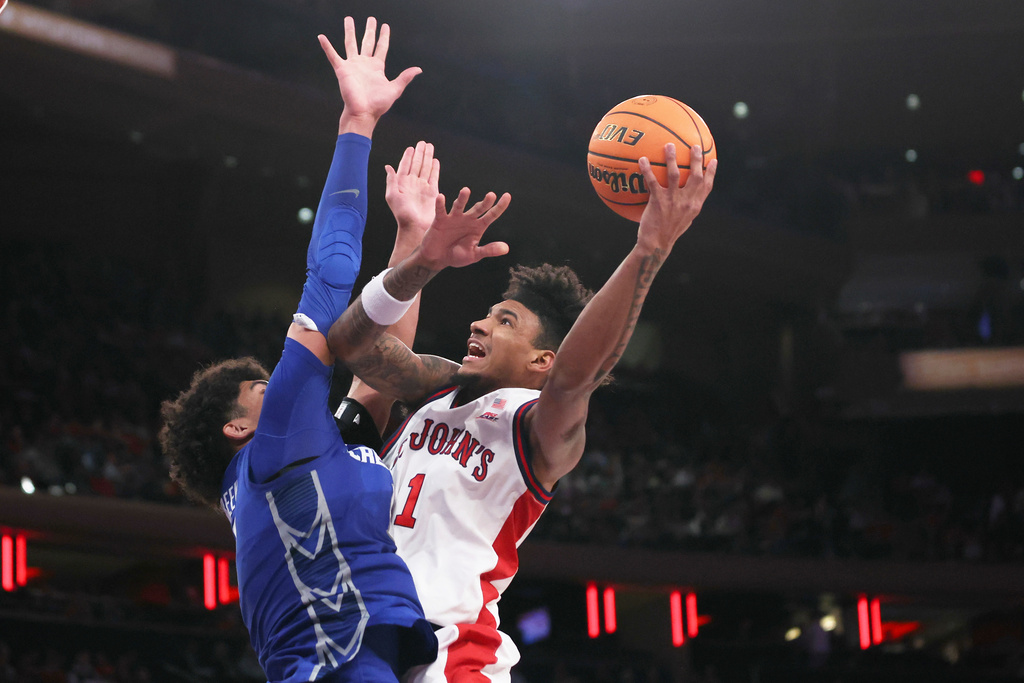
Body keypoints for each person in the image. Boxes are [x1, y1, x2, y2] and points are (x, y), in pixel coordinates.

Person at [329, 143, 717, 681]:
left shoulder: (536, 422)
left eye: (505, 321)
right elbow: (367, 359)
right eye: (487, 315)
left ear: (542, 359)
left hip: (452, 657)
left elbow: (575, 377)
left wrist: (648, 249)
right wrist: (413, 235)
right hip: (364, 645)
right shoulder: (434, 392)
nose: (479, 325)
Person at [158, 17, 439, 682]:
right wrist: (356, 124)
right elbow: (331, 269)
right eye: (265, 386)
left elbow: (381, 377)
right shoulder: (281, 440)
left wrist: (411, 245)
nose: (285, 386)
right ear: (240, 425)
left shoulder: (297, 465)